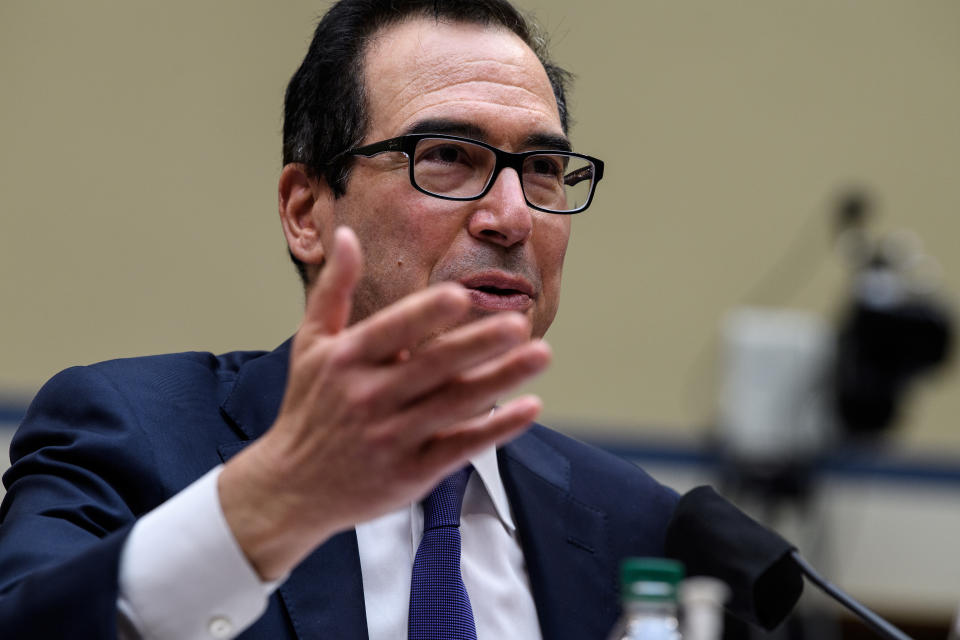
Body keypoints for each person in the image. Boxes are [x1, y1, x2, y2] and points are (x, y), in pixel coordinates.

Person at [0, 1, 678, 638]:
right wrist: (263, 511)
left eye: (543, 168)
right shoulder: (126, 434)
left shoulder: (635, 521)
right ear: (305, 211)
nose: (513, 217)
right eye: (445, 156)